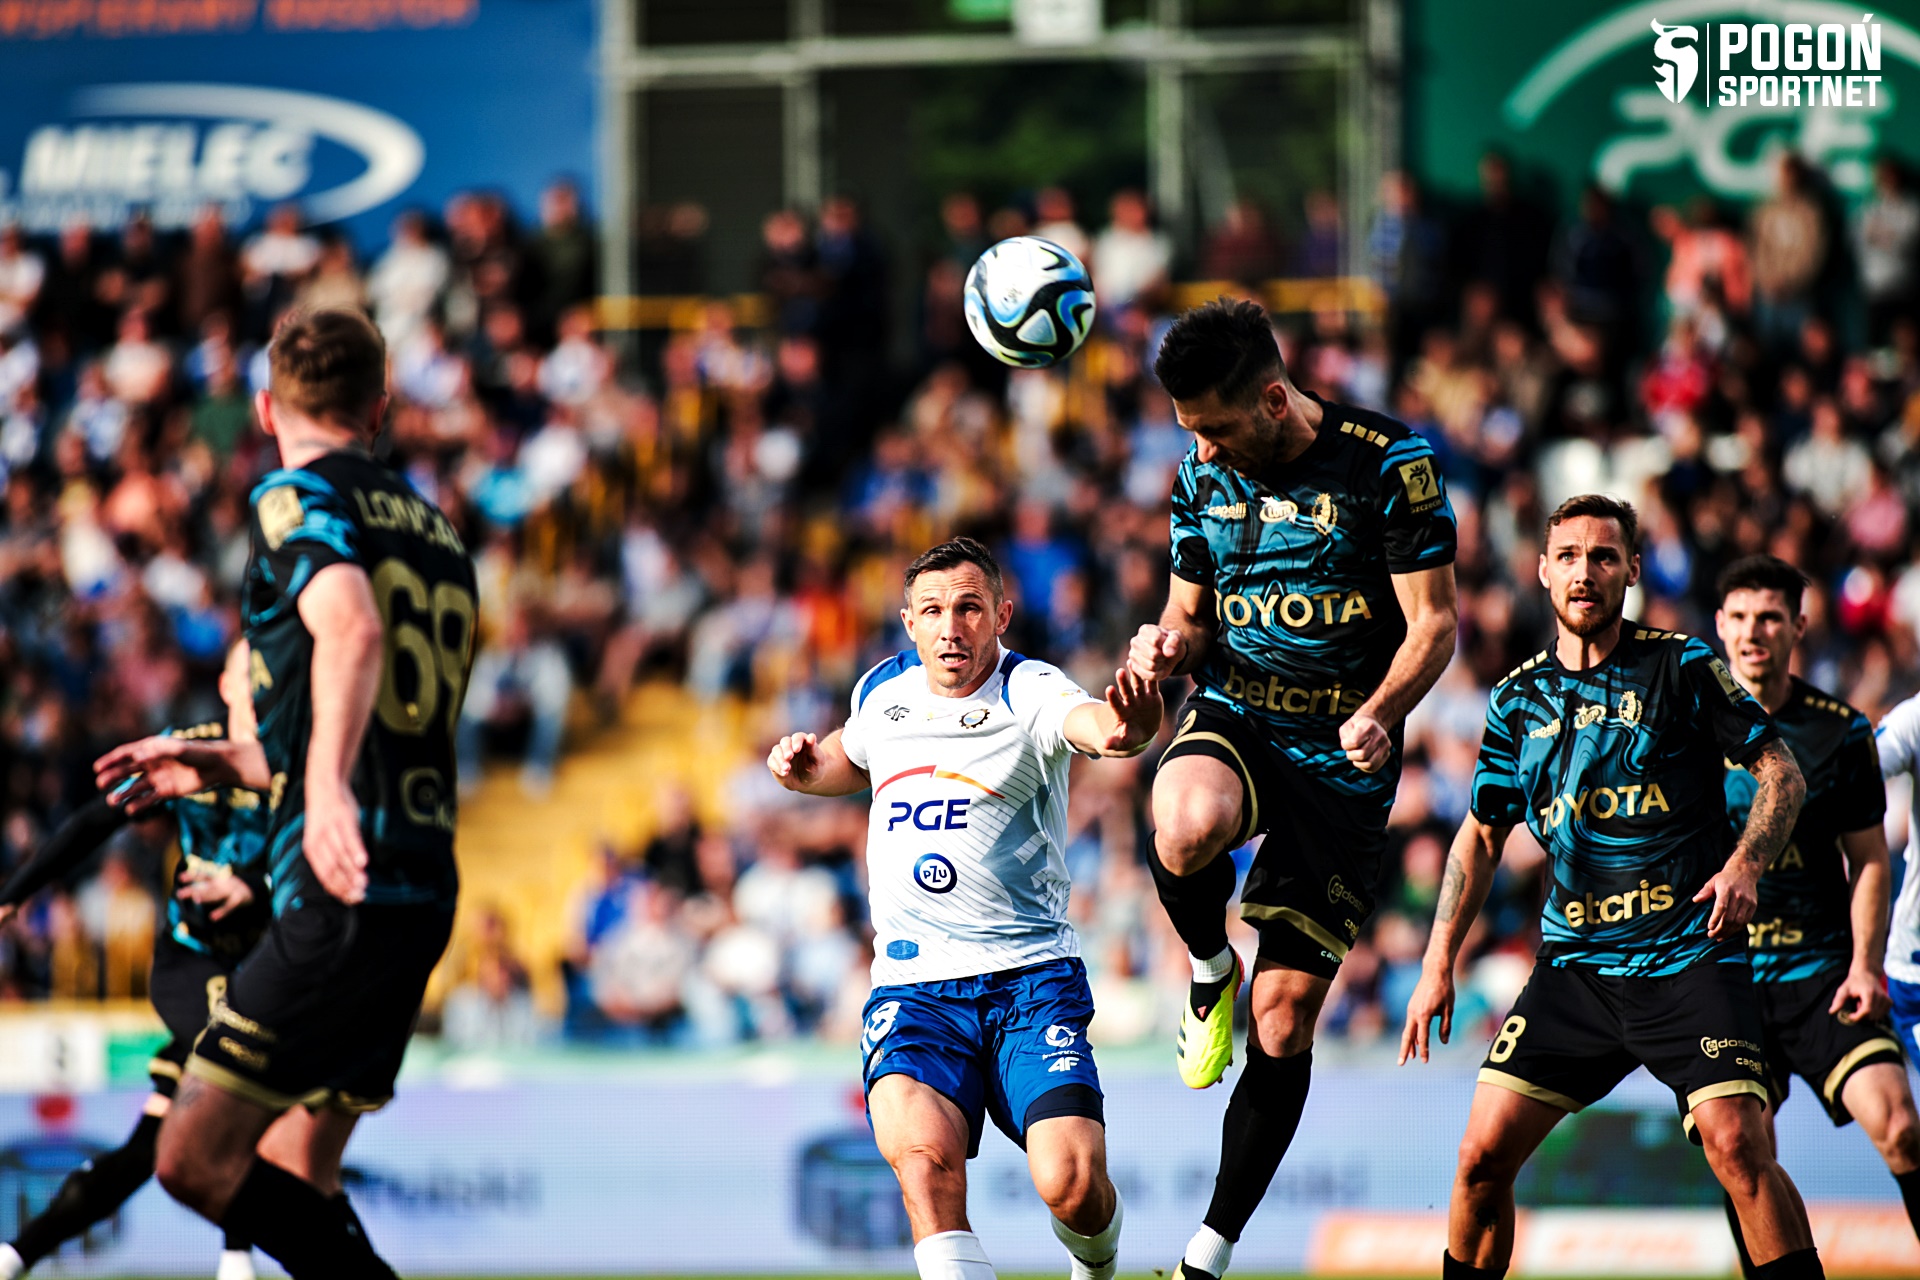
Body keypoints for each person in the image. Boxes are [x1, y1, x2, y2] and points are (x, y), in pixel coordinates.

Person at [95, 309, 478, 1279]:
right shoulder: (435, 530)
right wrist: (231, 761)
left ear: (266, 409)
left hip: (334, 884)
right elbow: (378, 717)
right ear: (380, 408)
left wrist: (326, 789)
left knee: (193, 1156)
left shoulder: (293, 497)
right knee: (302, 1166)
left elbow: (352, 630)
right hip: (419, 882)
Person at [1401, 496, 1825, 1280]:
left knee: (1738, 1146)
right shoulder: (1514, 700)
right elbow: (1483, 836)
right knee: (1479, 1159)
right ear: (1542, 571)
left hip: (1688, 956)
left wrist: (1744, 866)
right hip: (1576, 970)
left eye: (1603, 556)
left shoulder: (1683, 666)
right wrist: (1436, 964)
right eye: (1568, 556)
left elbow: (1782, 773)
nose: (1584, 572)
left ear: (1631, 569)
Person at [1126, 299, 1458, 1280]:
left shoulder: (1388, 463)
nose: (1203, 449)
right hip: (1242, 709)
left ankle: (1206, 1255)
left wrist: (1385, 710)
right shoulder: (1200, 473)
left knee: (1281, 1019)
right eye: (1191, 431)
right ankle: (1206, 965)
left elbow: (1435, 624)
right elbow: (1188, 614)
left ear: (1274, 399)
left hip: (1345, 748)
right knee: (1186, 822)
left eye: (1217, 428)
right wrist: (1167, 646)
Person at [767, 536, 1161, 1280]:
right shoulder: (882, 690)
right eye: (933, 611)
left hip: (1028, 980)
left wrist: (1131, 725)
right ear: (909, 622)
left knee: (1073, 1185)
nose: (951, 627)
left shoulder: (1028, 689)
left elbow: (1100, 729)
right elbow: (848, 758)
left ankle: (1098, 1270)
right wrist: (804, 768)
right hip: (914, 989)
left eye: (970, 609)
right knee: (923, 1166)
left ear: (1001, 616)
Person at [0, 642, 270, 1280]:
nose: (266, 681)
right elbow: (95, 821)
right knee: (246, 1067)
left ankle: (16, 1254)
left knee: (144, 1153)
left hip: (262, 969)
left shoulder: (301, 761)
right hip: (192, 964)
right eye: (253, 670)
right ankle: (237, 1257)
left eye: (276, 669)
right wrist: (15, 893)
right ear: (226, 685)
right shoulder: (186, 750)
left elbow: (318, 853)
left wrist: (250, 886)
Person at [1714, 555, 1920, 1269]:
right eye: (1741, 617)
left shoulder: (1840, 732)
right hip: (1728, 981)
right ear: (1720, 625)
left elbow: (1870, 860)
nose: (1754, 632)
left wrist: (1865, 966)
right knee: (1741, 1152)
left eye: (1770, 617)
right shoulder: (1687, 732)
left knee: (1899, 1124)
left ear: (1799, 626)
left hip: (1823, 972)